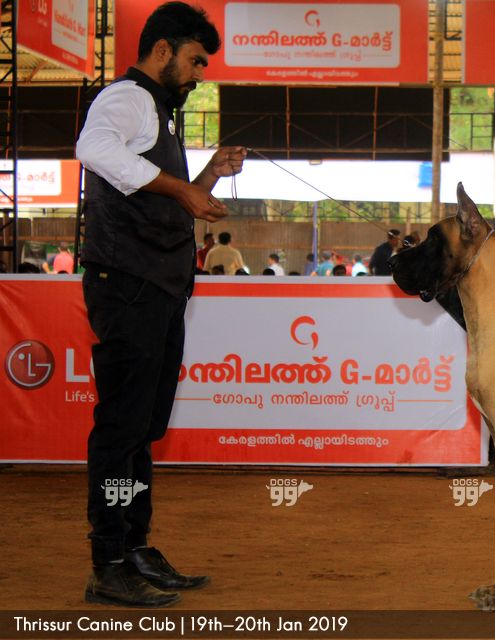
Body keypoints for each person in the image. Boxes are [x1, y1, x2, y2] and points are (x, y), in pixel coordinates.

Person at [75, 2, 246, 608]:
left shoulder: (158, 114)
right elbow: (92, 147)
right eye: (196, 61)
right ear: (163, 49)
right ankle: (108, 562)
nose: (200, 73)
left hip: (158, 289)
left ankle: (135, 546)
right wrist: (181, 189)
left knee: (142, 430)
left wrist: (207, 178)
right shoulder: (127, 99)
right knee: (122, 428)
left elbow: (163, 201)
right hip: (128, 284)